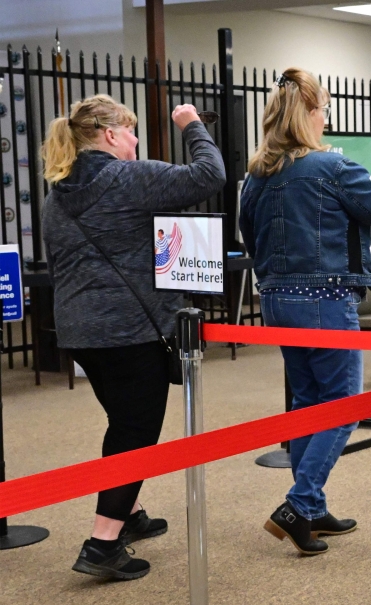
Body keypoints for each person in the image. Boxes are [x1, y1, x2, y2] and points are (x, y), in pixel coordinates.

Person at [240, 68, 371, 556]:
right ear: (310, 115)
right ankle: (300, 501)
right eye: (325, 111)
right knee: (344, 405)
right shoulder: (331, 167)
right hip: (325, 301)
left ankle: (311, 513)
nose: (326, 119)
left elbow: (250, 236)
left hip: (276, 300)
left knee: (307, 402)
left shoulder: (258, 174)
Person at [41, 95, 226, 579]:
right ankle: (103, 544)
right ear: (109, 134)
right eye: (131, 131)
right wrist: (190, 124)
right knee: (136, 432)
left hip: (80, 330)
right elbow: (210, 176)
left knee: (121, 419)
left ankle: (130, 512)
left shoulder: (56, 191)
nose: (137, 140)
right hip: (131, 331)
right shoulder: (128, 177)